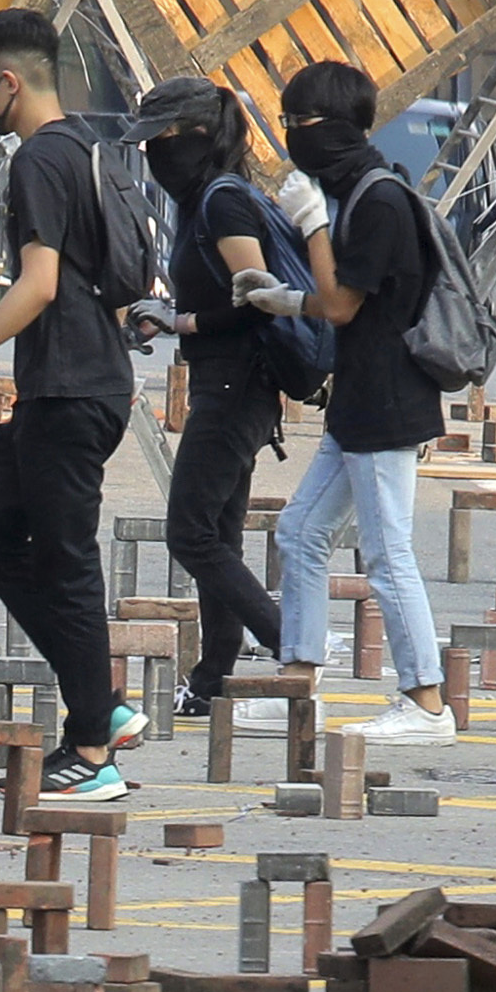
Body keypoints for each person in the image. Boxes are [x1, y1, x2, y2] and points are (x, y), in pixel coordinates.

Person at [0, 6, 140, 802]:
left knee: (65, 563)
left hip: (71, 387)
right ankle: (106, 704)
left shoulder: (37, 163)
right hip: (68, 386)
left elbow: (40, 283)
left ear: (10, 83)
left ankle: (93, 752)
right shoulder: (89, 146)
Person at [268, 59, 453, 753]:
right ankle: (296, 683)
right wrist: (283, 297)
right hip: (358, 403)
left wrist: (313, 225)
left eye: (300, 125)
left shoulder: (376, 200)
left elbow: (343, 303)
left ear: (337, 129)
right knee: (301, 531)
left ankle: (426, 700)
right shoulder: (363, 192)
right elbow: (343, 302)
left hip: (387, 407)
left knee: (386, 553)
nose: (291, 137)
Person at [136, 73, 318, 727]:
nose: (151, 154)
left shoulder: (223, 202)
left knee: (188, 532)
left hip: (236, 384)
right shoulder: (205, 201)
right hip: (227, 380)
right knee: (215, 534)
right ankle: (213, 676)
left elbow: (258, 302)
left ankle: (292, 650)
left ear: (198, 137)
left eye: (159, 139)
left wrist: (179, 321)